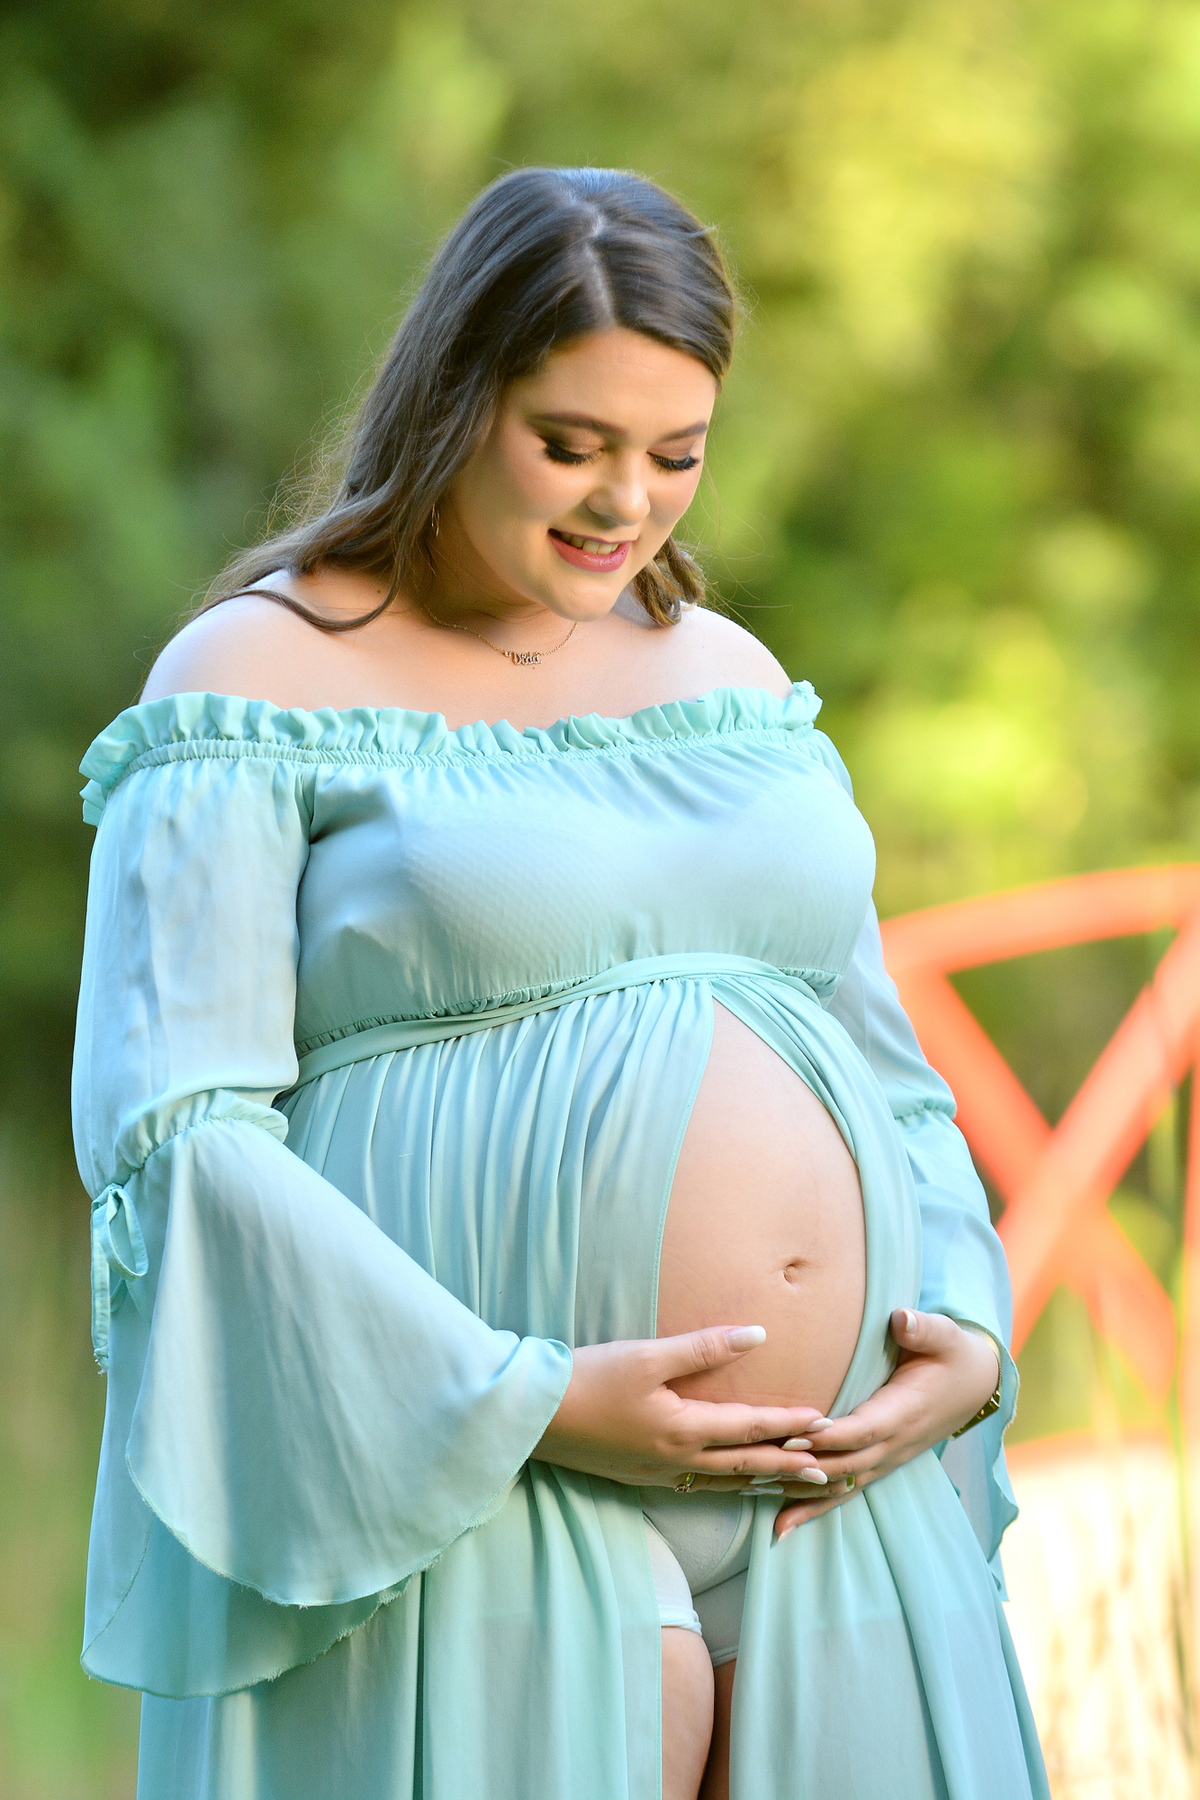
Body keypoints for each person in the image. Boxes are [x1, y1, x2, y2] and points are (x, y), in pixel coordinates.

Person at [74, 166, 1047, 1799]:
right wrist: (520, 1402)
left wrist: (963, 1330)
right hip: (467, 1486)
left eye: (676, 455)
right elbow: (179, 1138)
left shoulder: (730, 682)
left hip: (836, 1489)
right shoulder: (254, 679)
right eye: (570, 445)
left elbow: (885, 1072)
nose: (625, 505)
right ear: (456, 399)